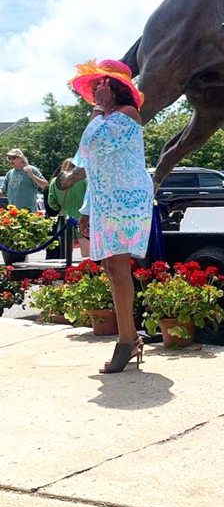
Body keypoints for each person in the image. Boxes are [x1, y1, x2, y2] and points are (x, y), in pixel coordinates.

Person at [69, 59, 153, 374]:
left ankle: (127, 341)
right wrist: (88, 209)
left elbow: (88, 147)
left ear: (110, 89)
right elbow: (92, 167)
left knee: (117, 268)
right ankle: (129, 339)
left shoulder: (126, 115)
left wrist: (97, 110)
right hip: (108, 201)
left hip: (124, 201)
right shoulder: (110, 118)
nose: (93, 95)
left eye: (97, 89)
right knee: (111, 267)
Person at [47, 158, 90, 258]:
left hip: (64, 220)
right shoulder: (84, 180)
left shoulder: (54, 182)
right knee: (87, 256)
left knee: (66, 257)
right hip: (82, 219)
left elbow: (52, 203)